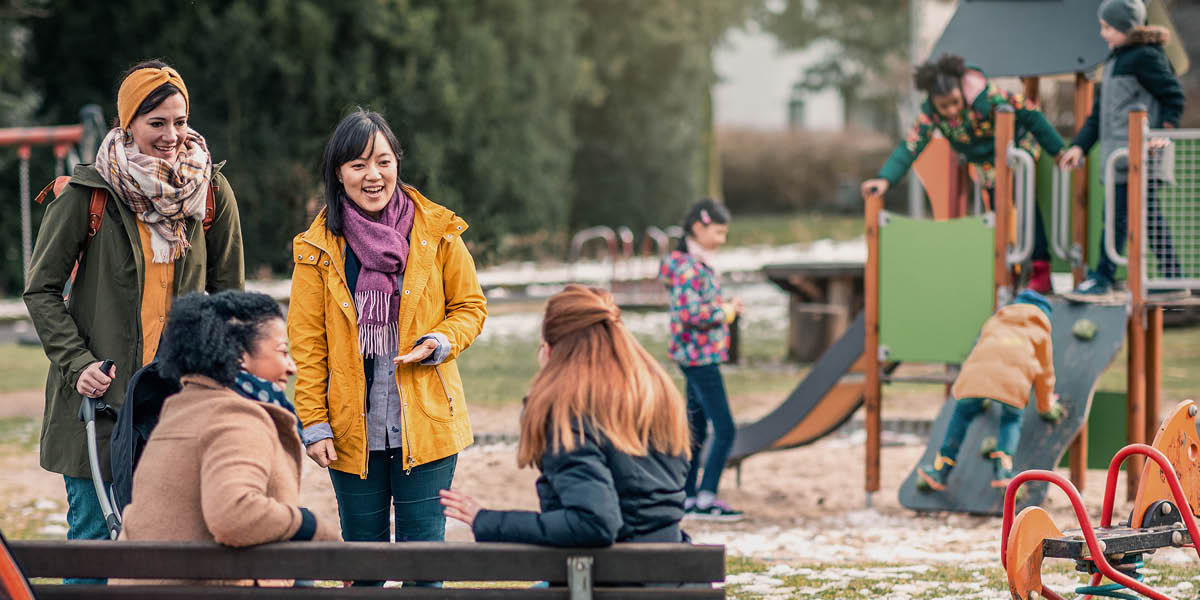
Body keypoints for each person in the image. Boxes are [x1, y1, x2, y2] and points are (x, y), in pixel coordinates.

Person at [22, 59, 243, 581]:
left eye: (180, 121)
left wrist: (215, 372)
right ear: (128, 125)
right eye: (156, 123)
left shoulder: (209, 193)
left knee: (181, 550)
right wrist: (77, 364)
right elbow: (41, 289)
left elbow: (228, 297)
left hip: (177, 402)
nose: (172, 135)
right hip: (100, 404)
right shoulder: (86, 196)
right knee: (94, 546)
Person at [288, 108, 486, 587]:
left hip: (428, 424)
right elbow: (307, 342)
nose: (372, 175)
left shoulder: (437, 231)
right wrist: (313, 422)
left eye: (382, 161)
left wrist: (439, 341)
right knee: (363, 568)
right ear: (338, 173)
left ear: (397, 162)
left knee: (424, 567)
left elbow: (470, 307)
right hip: (351, 432)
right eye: (357, 165)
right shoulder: (318, 246)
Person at [440, 285, 691, 547]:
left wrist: (488, 521)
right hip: (674, 575)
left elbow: (594, 523)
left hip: (612, 580)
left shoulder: (566, 416)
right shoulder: (656, 395)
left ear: (549, 352)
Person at [116, 291, 339, 585]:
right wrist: (311, 526)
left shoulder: (183, 407)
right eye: (282, 351)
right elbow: (234, 515)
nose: (291, 367)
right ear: (240, 357)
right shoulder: (234, 416)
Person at [863, 54, 1066, 294]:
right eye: (943, 106)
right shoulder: (931, 116)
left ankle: (1041, 269)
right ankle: (1007, 269)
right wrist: (885, 179)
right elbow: (910, 146)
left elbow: (1029, 111)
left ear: (961, 90)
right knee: (997, 213)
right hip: (987, 166)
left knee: (1025, 207)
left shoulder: (989, 96)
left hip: (1015, 151)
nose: (950, 110)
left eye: (954, 102)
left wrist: (1058, 150)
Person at [1059, 0, 1185, 296]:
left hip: (1140, 156)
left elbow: (1174, 96)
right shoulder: (1116, 60)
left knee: (1127, 217)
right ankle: (1170, 278)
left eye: (1107, 27)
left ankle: (1104, 276)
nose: (1102, 33)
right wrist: (1079, 146)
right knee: (1133, 216)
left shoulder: (1145, 56)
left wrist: (1163, 132)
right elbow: (1098, 114)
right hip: (1119, 159)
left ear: (1126, 27)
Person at [918, 289, 1065, 491]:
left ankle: (941, 468)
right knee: (1011, 419)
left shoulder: (996, 320)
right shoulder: (1040, 331)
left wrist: (981, 398)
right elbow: (1044, 373)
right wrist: (1046, 406)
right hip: (1012, 383)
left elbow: (979, 349)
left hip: (976, 377)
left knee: (962, 414)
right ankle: (1003, 472)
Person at [657, 199, 744, 520]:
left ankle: (689, 496)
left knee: (696, 427)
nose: (722, 239)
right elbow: (690, 313)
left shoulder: (697, 263)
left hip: (698, 355)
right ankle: (706, 497)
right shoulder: (686, 266)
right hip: (698, 357)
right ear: (699, 227)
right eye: (718, 232)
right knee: (726, 429)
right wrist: (727, 311)